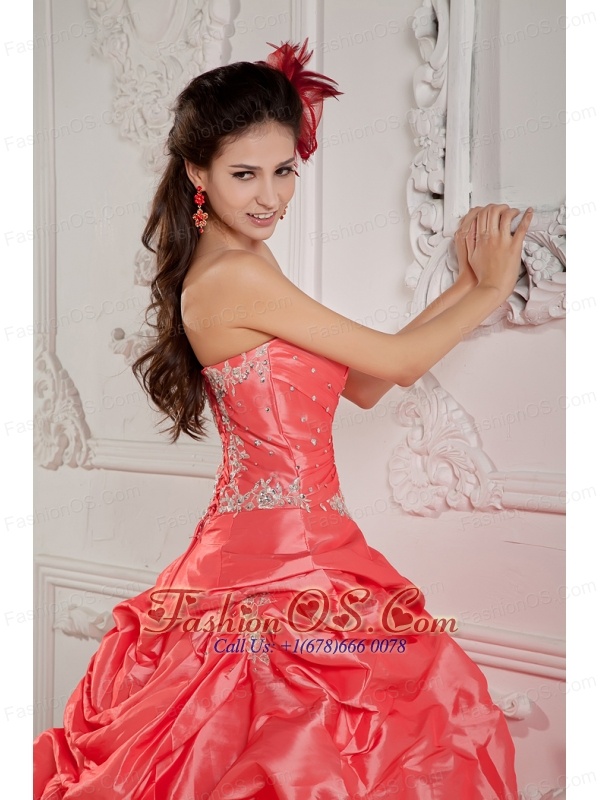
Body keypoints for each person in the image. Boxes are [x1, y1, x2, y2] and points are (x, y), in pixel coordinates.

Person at [33, 40, 532, 799]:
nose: (270, 197)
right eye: (245, 174)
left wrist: (467, 283)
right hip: (274, 562)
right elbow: (397, 365)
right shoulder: (233, 276)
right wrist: (490, 291)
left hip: (295, 544)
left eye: (284, 170)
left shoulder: (247, 262)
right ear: (197, 173)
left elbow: (366, 382)